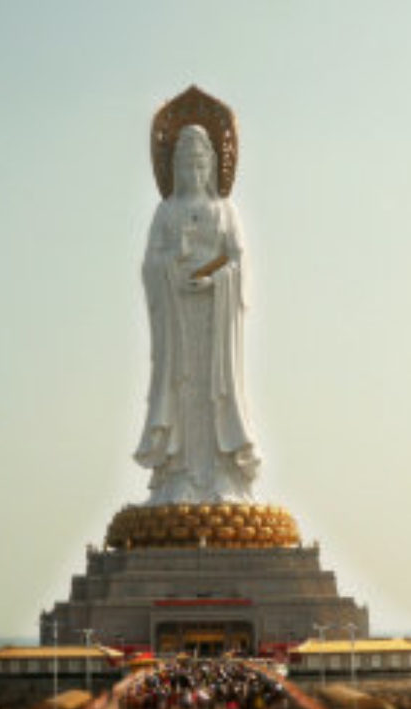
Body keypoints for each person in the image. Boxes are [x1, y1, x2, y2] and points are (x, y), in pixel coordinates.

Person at [134, 123, 259, 504]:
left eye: (200, 163)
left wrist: (217, 278)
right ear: (175, 168)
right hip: (177, 315)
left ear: (212, 166)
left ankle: (223, 475)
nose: (194, 172)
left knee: (216, 388)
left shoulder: (225, 210)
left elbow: (239, 260)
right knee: (182, 386)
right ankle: (180, 477)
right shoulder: (166, 211)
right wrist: (172, 264)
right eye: (186, 164)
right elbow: (149, 264)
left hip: (215, 315)